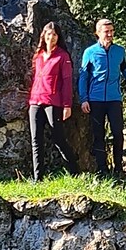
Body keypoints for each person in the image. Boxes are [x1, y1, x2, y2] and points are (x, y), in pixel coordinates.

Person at [78, 17, 126, 178]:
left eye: (112, 31)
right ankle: (102, 170)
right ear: (98, 33)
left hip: (114, 99)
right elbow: (83, 76)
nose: (110, 34)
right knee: (99, 135)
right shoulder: (90, 52)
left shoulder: (119, 51)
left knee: (118, 134)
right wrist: (84, 98)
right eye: (106, 31)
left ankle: (118, 168)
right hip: (95, 100)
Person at [28, 22, 76, 181]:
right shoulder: (39, 55)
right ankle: (37, 179)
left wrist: (67, 105)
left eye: (54, 34)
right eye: (49, 34)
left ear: (58, 37)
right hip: (35, 101)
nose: (51, 37)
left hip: (53, 102)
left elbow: (67, 81)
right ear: (44, 35)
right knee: (36, 140)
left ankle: (75, 172)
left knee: (58, 138)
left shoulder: (63, 56)